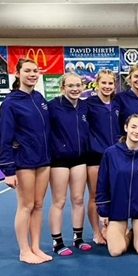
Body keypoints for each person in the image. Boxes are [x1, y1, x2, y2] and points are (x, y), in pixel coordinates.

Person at [0, 58, 52, 264]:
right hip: (24, 162)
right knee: (26, 205)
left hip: (43, 160)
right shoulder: (11, 103)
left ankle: (36, 247)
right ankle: (24, 251)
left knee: (39, 205)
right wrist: (8, 170)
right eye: (28, 71)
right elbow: (4, 138)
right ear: (18, 73)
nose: (32, 74)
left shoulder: (39, 98)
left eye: (35, 71)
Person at [96, 114, 138, 257]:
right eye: (133, 127)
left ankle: (135, 234)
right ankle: (129, 234)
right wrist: (103, 211)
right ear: (126, 128)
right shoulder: (110, 153)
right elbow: (102, 184)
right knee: (116, 251)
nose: (137, 131)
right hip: (118, 208)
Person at [48, 73, 92, 256]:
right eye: (70, 85)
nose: (75, 89)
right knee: (59, 201)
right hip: (59, 159)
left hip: (80, 158)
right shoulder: (52, 106)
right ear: (63, 87)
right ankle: (57, 242)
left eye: (78, 85)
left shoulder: (84, 106)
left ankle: (78, 238)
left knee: (79, 199)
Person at [86, 69, 121, 245]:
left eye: (110, 83)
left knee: (114, 193)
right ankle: (96, 232)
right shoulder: (89, 104)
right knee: (95, 195)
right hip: (95, 156)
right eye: (104, 83)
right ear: (97, 83)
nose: (107, 86)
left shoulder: (116, 104)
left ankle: (112, 228)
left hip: (114, 156)